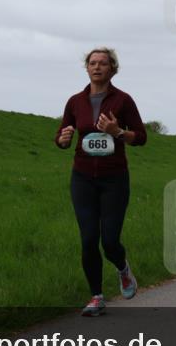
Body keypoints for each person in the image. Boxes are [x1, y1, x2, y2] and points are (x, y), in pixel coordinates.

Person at [55, 47, 147, 317]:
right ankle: (96, 296)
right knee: (88, 239)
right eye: (92, 63)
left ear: (112, 69)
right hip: (82, 177)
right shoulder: (75, 101)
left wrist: (117, 131)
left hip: (114, 179)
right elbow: (63, 133)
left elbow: (141, 137)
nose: (97, 67)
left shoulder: (123, 101)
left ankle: (123, 270)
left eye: (102, 63)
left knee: (109, 241)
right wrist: (62, 140)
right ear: (87, 68)